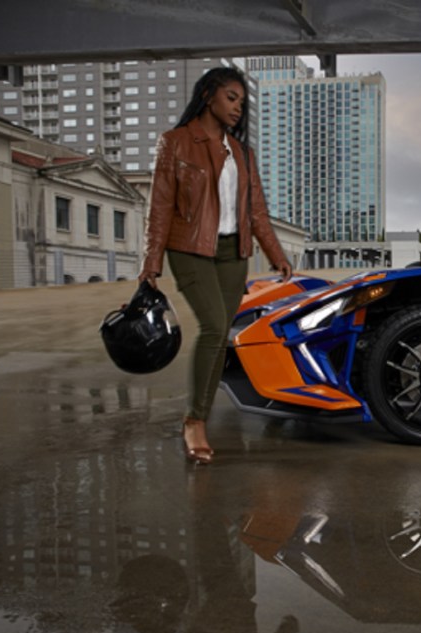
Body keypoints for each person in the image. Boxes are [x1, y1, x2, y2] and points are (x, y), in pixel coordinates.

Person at [139, 67, 292, 465]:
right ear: (208, 95)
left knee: (222, 333)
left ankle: (199, 413)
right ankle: (195, 421)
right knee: (212, 327)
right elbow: (160, 206)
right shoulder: (175, 142)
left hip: (232, 253)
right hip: (189, 248)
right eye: (231, 97)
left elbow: (256, 212)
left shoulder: (242, 153)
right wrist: (151, 261)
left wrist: (276, 254)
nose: (238, 107)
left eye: (242, 101)